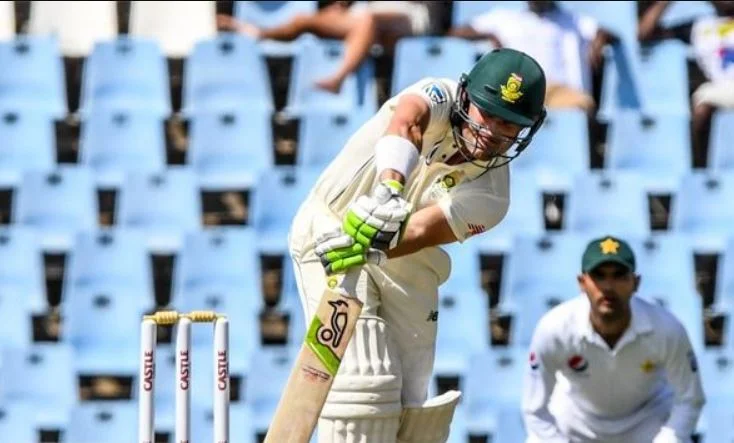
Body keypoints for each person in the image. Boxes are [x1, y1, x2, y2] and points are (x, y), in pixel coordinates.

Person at [287, 47, 547, 442]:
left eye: (509, 124)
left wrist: (369, 241)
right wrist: (390, 188)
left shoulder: (492, 197)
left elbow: (420, 233)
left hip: (406, 259)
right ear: (465, 97)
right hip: (329, 227)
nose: (494, 132)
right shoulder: (438, 95)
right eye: (488, 115)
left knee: (410, 400)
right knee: (362, 377)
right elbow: (407, 120)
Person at [522, 235, 706, 443]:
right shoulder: (554, 328)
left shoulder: (666, 329)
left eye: (619, 276)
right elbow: (534, 410)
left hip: (647, 422)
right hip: (575, 423)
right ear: (582, 283)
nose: (608, 287)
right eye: (598, 276)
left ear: (636, 283)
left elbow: (690, 399)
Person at [217, 1, 432, 93]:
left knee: (369, 20)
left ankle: (338, 78)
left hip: (412, 14)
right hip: (367, 12)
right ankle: (260, 33)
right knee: (304, 20)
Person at [449, 1, 618, 117]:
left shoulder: (573, 20)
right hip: (520, 92)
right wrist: (489, 35)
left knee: (582, 105)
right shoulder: (505, 18)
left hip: (563, 93)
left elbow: (607, 33)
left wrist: (599, 40)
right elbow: (455, 32)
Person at [638, 0, 734, 168]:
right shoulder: (699, 27)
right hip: (720, 89)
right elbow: (643, 34)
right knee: (702, 106)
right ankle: (701, 169)